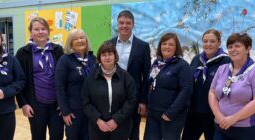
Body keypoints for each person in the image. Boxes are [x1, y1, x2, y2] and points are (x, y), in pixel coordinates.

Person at [208, 33, 255, 140]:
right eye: (230, 47)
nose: (233, 49)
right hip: (221, 125)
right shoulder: (222, 69)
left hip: (246, 129)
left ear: (248, 48)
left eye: (237, 46)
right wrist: (219, 116)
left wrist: (233, 119)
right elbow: (212, 93)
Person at [15, 17, 64, 140]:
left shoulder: (58, 50)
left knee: (57, 136)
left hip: (57, 105)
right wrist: (24, 104)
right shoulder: (22, 53)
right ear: (31, 32)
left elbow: (65, 78)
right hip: (35, 106)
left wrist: (64, 102)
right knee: (37, 137)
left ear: (48, 31)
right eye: (36, 29)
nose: (40, 32)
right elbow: (18, 81)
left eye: (43, 29)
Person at [182, 29, 231, 140]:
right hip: (194, 111)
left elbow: (228, 86)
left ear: (219, 43)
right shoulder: (196, 59)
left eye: (212, 41)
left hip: (214, 114)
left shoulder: (226, 61)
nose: (208, 44)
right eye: (205, 41)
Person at [82, 41, 136, 140]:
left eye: (110, 54)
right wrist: (98, 120)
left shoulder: (126, 77)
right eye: (104, 55)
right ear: (99, 58)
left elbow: (131, 100)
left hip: (121, 125)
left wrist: (116, 120)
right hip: (97, 126)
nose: (107, 57)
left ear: (115, 56)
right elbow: (86, 102)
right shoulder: (91, 79)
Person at [143, 33, 193, 140]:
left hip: (171, 116)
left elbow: (186, 90)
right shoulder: (157, 63)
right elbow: (151, 83)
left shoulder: (182, 66)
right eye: (164, 44)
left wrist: (171, 112)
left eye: (171, 44)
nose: (167, 47)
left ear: (176, 48)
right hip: (153, 113)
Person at [110, 10, 151, 140]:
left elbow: (146, 76)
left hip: (134, 97)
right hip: (112, 96)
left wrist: (143, 101)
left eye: (128, 23)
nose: (124, 26)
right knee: (113, 130)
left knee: (133, 132)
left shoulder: (143, 46)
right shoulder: (109, 44)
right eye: (121, 23)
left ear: (133, 24)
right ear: (117, 24)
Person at [55, 29, 96, 140]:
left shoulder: (93, 59)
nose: (79, 40)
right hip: (73, 111)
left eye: (82, 37)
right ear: (70, 43)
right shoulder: (65, 60)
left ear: (86, 40)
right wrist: (65, 111)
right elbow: (59, 87)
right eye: (75, 38)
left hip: (91, 110)